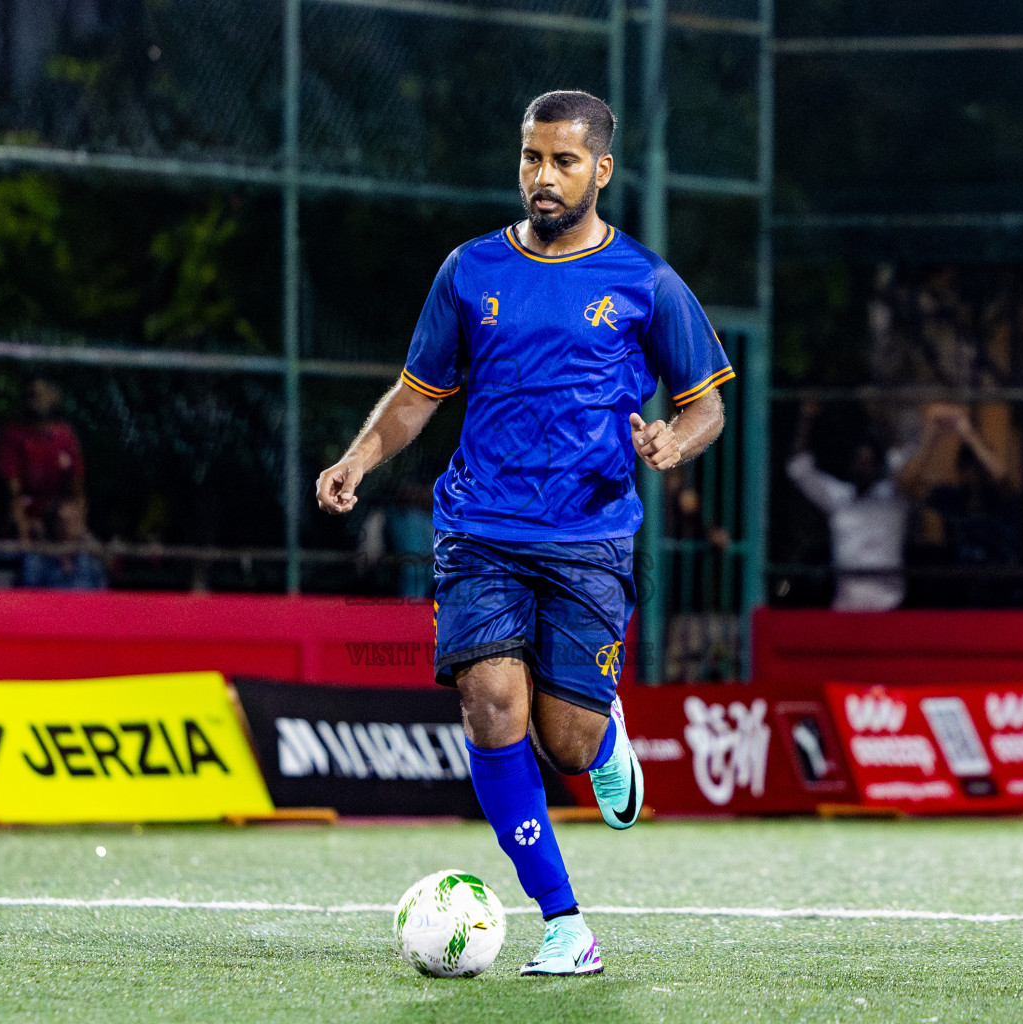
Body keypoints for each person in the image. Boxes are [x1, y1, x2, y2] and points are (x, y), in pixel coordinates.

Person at [315, 91, 732, 977]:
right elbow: (418, 396)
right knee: (490, 705)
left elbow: (708, 408)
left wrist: (672, 439)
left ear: (602, 171)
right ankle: (563, 922)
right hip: (478, 528)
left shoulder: (647, 282)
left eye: (565, 162)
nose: (544, 177)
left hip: (589, 539)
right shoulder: (468, 270)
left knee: (569, 745)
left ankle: (606, 735)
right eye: (533, 159)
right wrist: (358, 459)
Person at [787, 401, 912, 611]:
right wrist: (807, 419)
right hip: (846, 608)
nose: (863, 468)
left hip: (889, 607)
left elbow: (903, 465)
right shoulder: (838, 498)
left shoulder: (893, 497)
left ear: (877, 466)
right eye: (859, 461)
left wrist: (883, 417)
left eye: (869, 462)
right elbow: (799, 469)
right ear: (850, 464)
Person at [898, 405, 1023, 608]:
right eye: (970, 469)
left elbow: (1000, 475)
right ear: (962, 471)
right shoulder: (953, 498)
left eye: (980, 467)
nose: (976, 475)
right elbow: (907, 484)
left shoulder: (1002, 498)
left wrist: (967, 433)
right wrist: (931, 436)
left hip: (1006, 600)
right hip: (964, 601)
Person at [0, 375, 85, 541]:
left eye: (42, 395)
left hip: (61, 518)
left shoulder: (65, 435)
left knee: (99, 556)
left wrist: (76, 528)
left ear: (54, 397)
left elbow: (77, 492)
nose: (37, 401)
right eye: (32, 395)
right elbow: (13, 495)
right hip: (26, 517)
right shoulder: (12, 434)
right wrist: (26, 537)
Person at [20, 497, 106, 590]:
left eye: (78, 519)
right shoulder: (37, 560)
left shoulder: (90, 560)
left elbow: (103, 591)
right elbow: (30, 594)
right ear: (55, 525)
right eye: (71, 520)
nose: (79, 525)